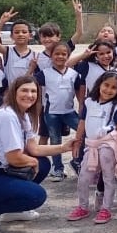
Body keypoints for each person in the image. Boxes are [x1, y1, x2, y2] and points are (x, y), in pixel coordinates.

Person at [0, 76, 74, 233]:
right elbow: (14, 158)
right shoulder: (8, 116)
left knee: (43, 163)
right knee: (37, 196)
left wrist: (64, 147)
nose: (29, 95)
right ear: (13, 92)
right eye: (24, 90)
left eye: (33, 91)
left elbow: (34, 149)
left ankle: (14, 210)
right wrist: (32, 162)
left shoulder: (22, 116)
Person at [68, 71, 117, 225]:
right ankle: (83, 206)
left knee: (108, 177)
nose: (108, 90)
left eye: (113, 88)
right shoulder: (89, 102)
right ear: (99, 84)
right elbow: (82, 122)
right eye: (106, 85)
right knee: (83, 177)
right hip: (91, 145)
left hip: (107, 145)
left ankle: (106, 208)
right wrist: (77, 140)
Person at [40, 43, 81, 181]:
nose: (60, 56)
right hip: (51, 113)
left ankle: (77, 161)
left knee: (85, 134)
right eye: (57, 53)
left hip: (69, 112)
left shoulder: (74, 74)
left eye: (64, 54)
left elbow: (79, 93)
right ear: (51, 56)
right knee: (55, 141)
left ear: (68, 56)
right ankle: (57, 169)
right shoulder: (45, 73)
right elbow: (30, 84)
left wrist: (82, 108)